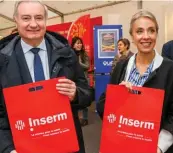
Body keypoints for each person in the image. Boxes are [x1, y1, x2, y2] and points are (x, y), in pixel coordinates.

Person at [0, 1, 92, 153]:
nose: (33, 24)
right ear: (15, 20)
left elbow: (88, 93)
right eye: (26, 18)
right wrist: (8, 148)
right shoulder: (3, 61)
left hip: (65, 144)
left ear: (46, 20)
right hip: (22, 147)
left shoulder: (66, 54)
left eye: (38, 17)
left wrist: (76, 94)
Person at [97, 10, 173, 153]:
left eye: (151, 30)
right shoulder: (121, 67)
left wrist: (159, 147)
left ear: (156, 34)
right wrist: (116, 96)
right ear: (132, 37)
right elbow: (102, 107)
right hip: (121, 145)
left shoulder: (169, 69)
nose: (146, 36)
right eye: (139, 31)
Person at [71, 36, 90, 126]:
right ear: (73, 45)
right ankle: (76, 118)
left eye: (80, 43)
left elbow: (87, 66)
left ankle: (85, 118)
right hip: (73, 80)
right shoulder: (70, 54)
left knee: (84, 98)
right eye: (77, 43)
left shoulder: (84, 54)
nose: (79, 45)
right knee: (75, 100)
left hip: (84, 79)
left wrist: (78, 62)